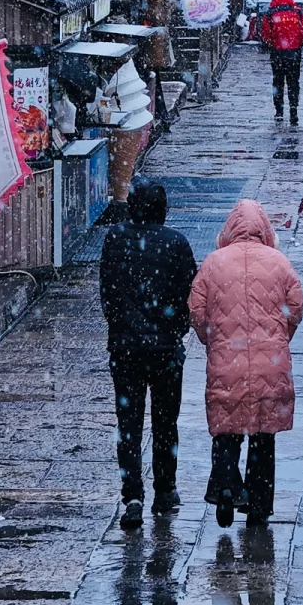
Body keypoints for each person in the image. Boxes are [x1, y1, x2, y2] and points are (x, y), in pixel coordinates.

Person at [189, 200, 303, 529]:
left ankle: (225, 486)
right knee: (263, 435)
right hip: (271, 362)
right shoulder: (279, 263)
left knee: (227, 426)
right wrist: (280, 338)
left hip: (227, 361)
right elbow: (295, 308)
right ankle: (258, 506)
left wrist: (210, 339)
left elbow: (196, 310)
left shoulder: (213, 264)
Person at [98, 180, 199, 530]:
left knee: (129, 426)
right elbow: (190, 295)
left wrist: (123, 326)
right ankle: (165, 490)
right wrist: (175, 330)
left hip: (125, 347)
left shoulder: (114, 239)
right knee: (165, 423)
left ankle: (132, 495)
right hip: (165, 349)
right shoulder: (176, 244)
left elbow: (108, 294)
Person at [261, 0, 303, 125]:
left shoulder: (271, 14)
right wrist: (298, 44)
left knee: (278, 82)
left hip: (278, 53)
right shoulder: (297, 13)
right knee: (294, 82)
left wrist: (273, 45)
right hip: (293, 53)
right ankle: (293, 109)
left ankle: (279, 111)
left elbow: (265, 34)